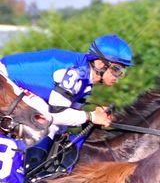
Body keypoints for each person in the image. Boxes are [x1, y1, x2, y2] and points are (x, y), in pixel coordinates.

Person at [0, 34, 132, 138]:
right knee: (45, 123)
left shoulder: (87, 84)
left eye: (121, 71)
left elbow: (68, 119)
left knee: (55, 128)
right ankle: (26, 170)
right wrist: (92, 116)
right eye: (116, 69)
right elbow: (55, 115)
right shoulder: (77, 74)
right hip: (6, 79)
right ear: (100, 64)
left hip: (15, 81)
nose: (119, 76)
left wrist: (92, 118)